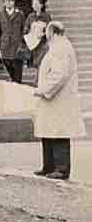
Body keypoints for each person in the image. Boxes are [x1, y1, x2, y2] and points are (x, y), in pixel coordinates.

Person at [33, 21, 86, 180]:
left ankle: (61, 168)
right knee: (49, 131)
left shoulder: (61, 48)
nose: (45, 35)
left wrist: (44, 90)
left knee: (58, 133)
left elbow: (59, 75)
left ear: (54, 32)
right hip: (54, 98)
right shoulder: (58, 46)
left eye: (47, 32)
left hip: (58, 98)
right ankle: (49, 165)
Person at [0, 0, 26, 83]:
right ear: (4, 3)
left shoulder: (20, 14)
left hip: (17, 45)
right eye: (6, 1)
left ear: (13, 2)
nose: (9, 3)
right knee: (7, 63)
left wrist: (22, 42)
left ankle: (17, 84)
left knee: (18, 69)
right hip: (5, 45)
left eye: (10, 1)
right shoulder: (0, 15)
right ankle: (14, 82)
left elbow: (23, 29)